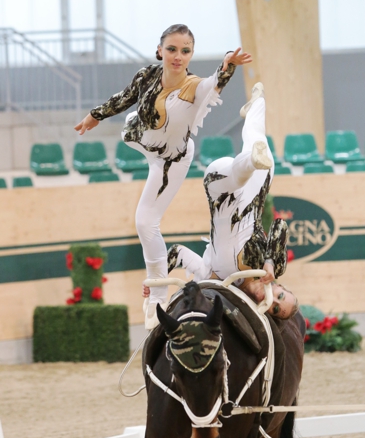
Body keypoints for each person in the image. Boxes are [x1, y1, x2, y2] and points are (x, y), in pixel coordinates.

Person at [74, 24, 252, 328]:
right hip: (143, 139)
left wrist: (227, 65)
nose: (178, 56)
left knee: (145, 222)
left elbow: (215, 83)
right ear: (160, 51)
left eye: (185, 51)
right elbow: (126, 96)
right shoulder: (148, 74)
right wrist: (95, 115)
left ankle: (156, 295)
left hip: (171, 160)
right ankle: (156, 291)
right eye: (172, 49)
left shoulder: (194, 87)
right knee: (131, 121)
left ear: (191, 54)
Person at [144, 83, 298, 324]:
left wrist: (158, 280)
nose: (275, 301)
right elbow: (279, 225)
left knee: (241, 169)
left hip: (220, 191)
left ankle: (250, 159)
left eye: (276, 308)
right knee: (258, 142)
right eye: (280, 295)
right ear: (278, 286)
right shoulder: (270, 267)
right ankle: (257, 104)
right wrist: (269, 262)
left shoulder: (214, 277)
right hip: (254, 192)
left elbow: (178, 253)